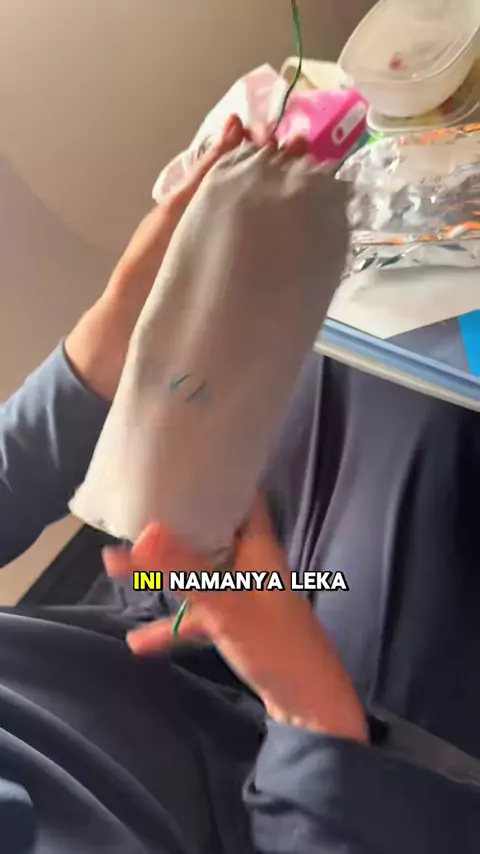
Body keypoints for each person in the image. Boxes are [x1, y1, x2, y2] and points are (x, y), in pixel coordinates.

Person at [0, 115, 479, 853]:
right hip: (313, 780)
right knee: (436, 420)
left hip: (163, 616)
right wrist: (308, 711)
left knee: (357, 341)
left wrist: (127, 312)